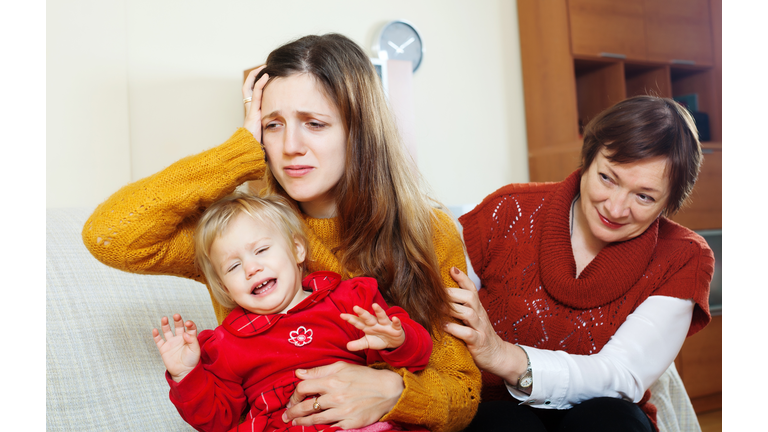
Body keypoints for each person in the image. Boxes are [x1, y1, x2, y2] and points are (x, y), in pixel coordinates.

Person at [82, 33, 480, 432]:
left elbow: (462, 392)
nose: (290, 146)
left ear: (358, 131)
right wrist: (237, 153)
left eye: (315, 123)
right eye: (273, 125)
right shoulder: (240, 238)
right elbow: (109, 234)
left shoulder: (427, 230)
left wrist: (394, 390)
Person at [444, 95, 714, 432]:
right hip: (496, 409)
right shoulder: (506, 210)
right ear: (588, 158)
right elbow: (437, 312)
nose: (615, 208)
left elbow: (621, 374)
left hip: (604, 416)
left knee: (609, 421)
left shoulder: (684, 257)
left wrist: (504, 357)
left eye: (644, 196)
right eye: (607, 178)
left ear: (669, 204)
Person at [153, 193, 432, 432]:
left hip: (357, 422)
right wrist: (186, 375)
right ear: (224, 288)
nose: (252, 268)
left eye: (261, 250)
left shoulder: (348, 300)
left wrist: (398, 339)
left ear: (297, 250)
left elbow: (419, 358)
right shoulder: (226, 343)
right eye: (233, 267)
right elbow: (214, 421)